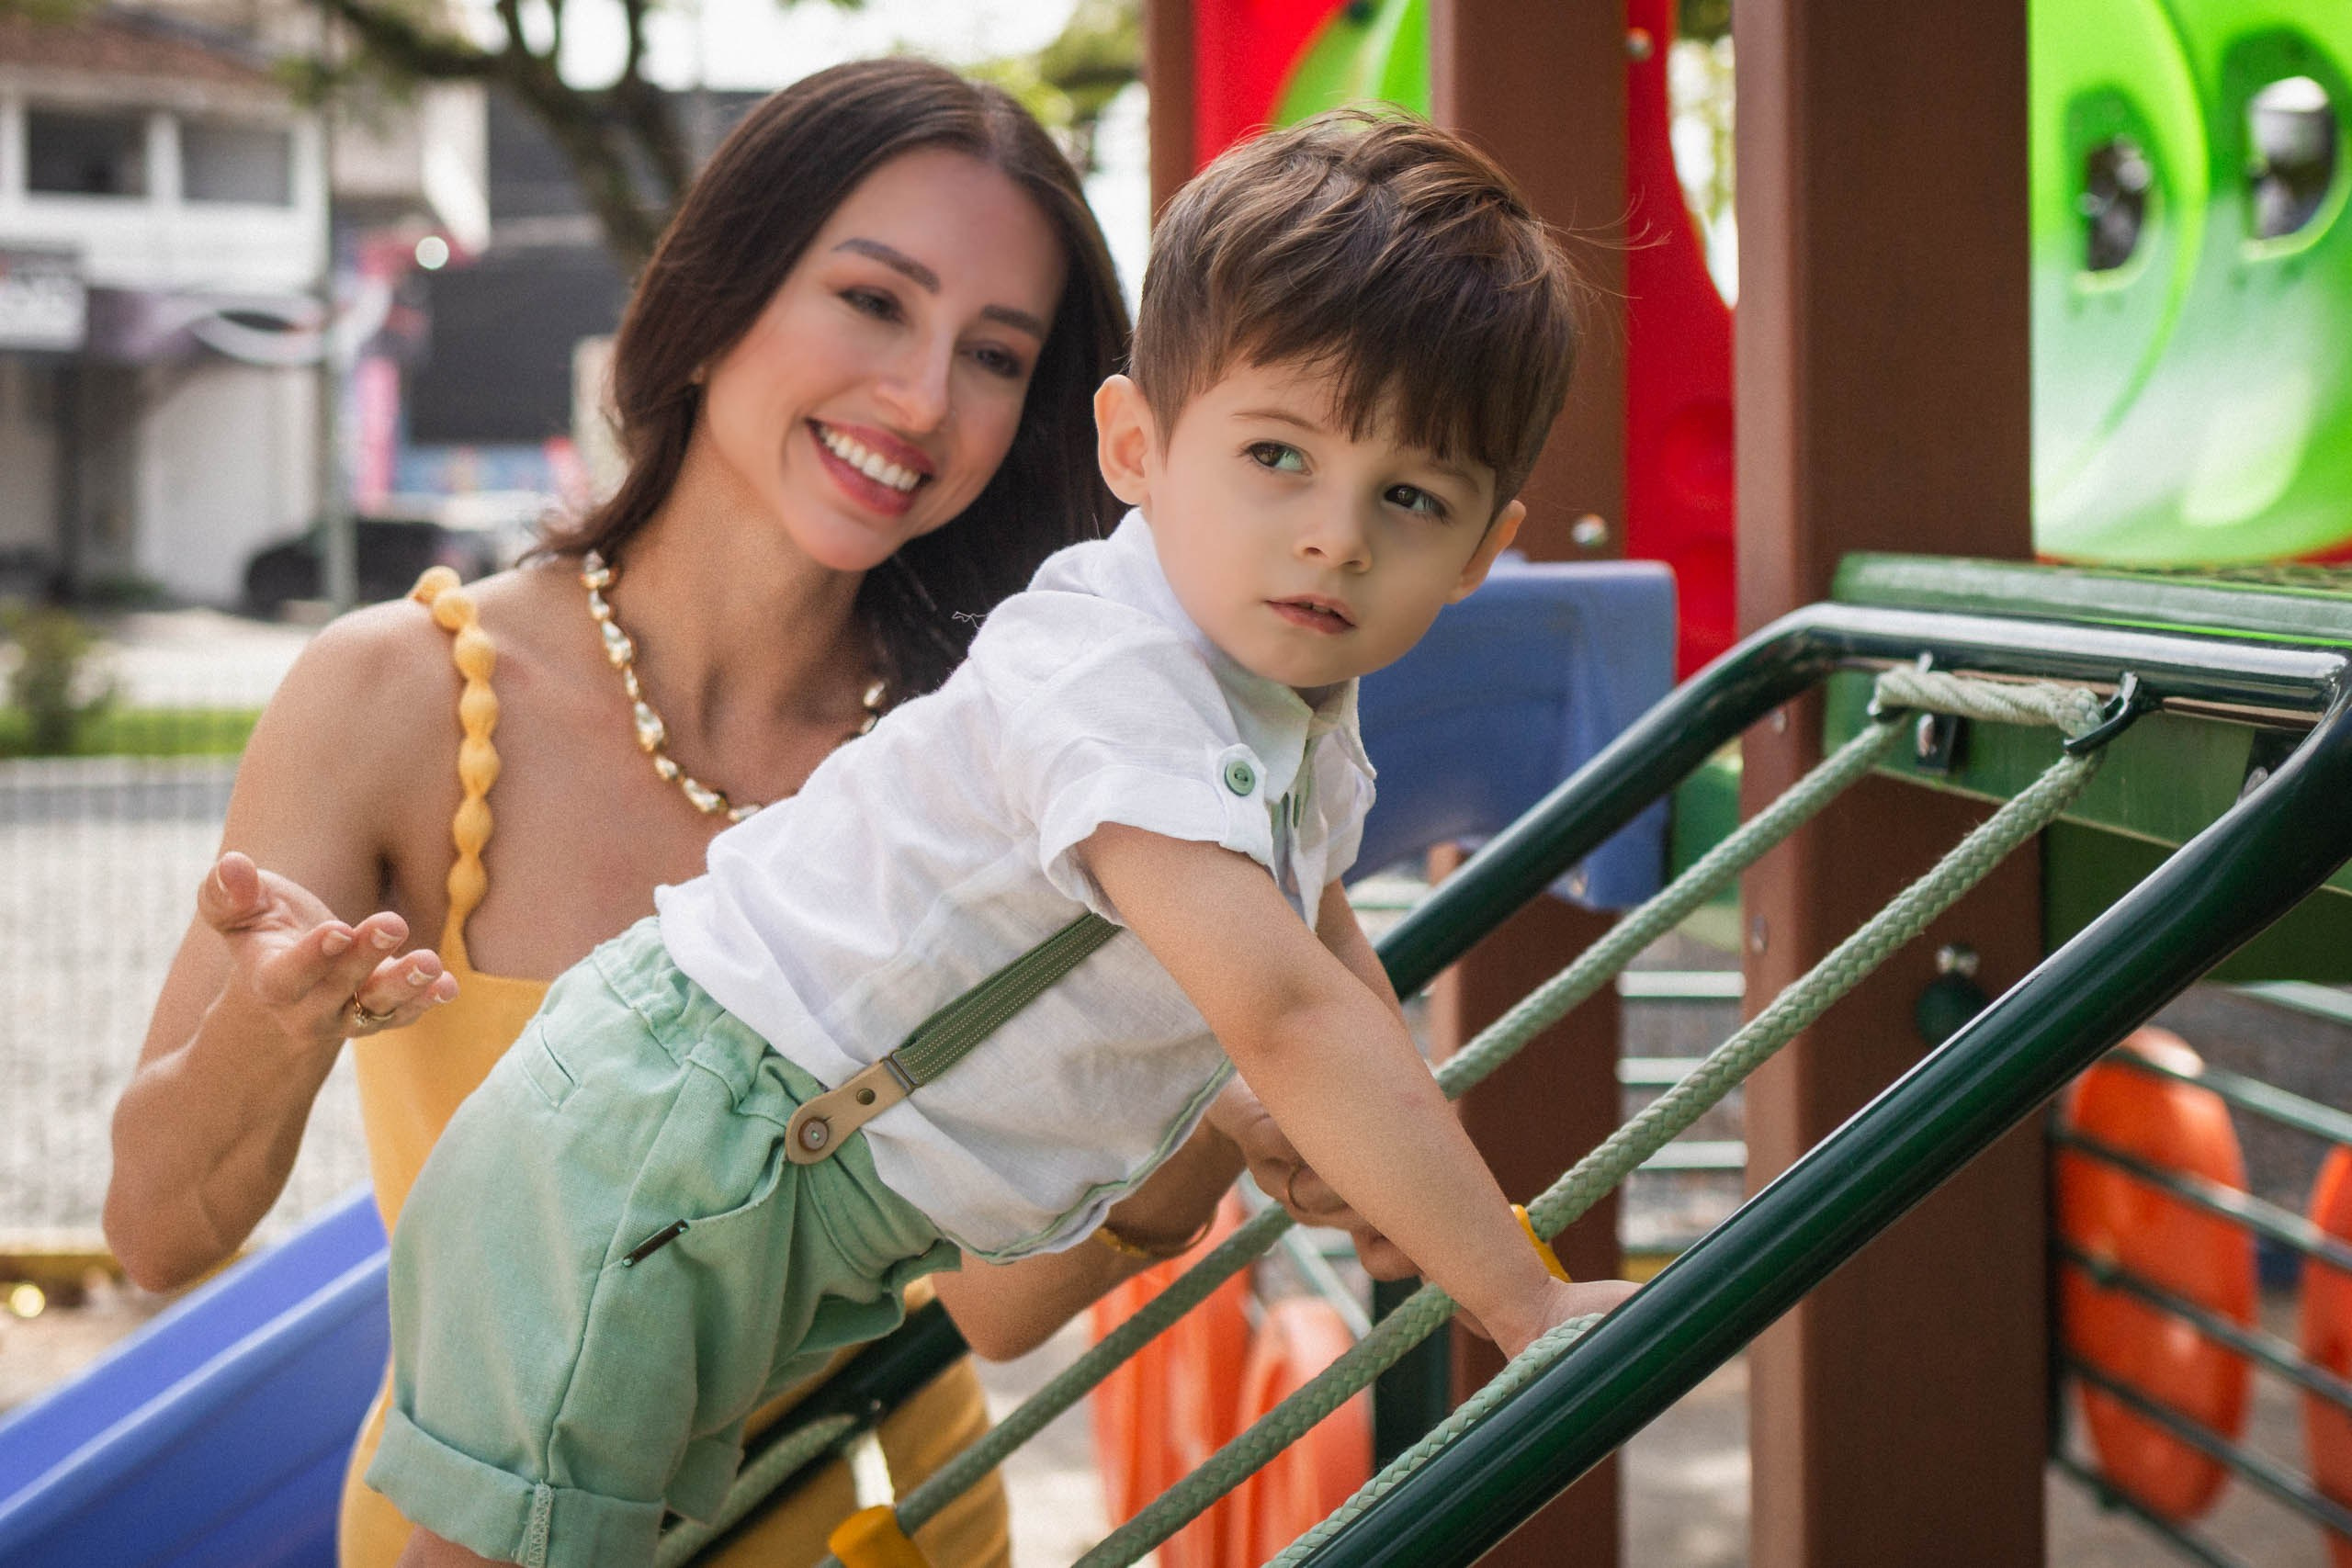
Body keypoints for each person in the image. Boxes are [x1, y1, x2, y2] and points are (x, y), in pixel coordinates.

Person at [374, 110, 1642, 1568]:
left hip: (780, 1187)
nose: (1336, 538)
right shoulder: (1114, 679)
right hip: (667, 1156)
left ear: (1484, 552)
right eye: (1278, 455)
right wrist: (1519, 1302)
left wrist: (1409, 1194)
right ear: (1136, 445)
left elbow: (1321, 952)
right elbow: (1287, 1015)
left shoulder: (1289, 705)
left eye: (1409, 498)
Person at [102, 58, 1293, 1568]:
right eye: (873, 302)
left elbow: (995, 1304)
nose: (922, 398)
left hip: (891, 1532)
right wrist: (264, 1041)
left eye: (997, 357)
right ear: (725, 291)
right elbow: (156, 1232)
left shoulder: (1006, 747)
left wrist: (1206, 1125)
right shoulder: (400, 699)